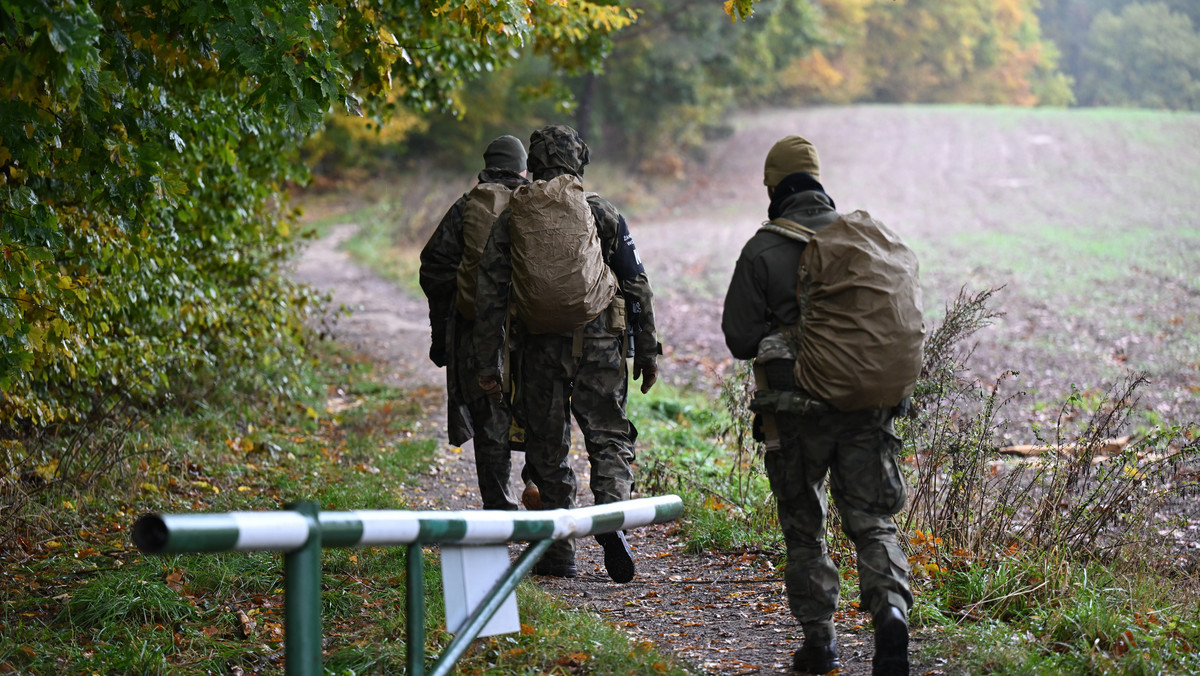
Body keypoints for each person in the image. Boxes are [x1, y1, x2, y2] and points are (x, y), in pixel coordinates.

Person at [721, 135, 912, 676]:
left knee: (805, 528)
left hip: (796, 416)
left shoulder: (763, 248)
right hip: (865, 410)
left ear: (775, 187)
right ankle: (891, 611)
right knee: (872, 522)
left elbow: (738, 339)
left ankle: (820, 644)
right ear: (819, 182)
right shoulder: (861, 241)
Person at [472, 124, 661, 582]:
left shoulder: (514, 216)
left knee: (548, 445)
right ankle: (612, 517)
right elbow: (636, 283)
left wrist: (487, 361)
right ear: (579, 162)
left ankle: (559, 554)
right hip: (599, 344)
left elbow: (490, 295)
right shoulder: (600, 212)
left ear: (533, 166)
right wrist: (648, 350)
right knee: (609, 436)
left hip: (539, 346)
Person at [419, 135, 532, 511]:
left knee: (490, 423)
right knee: (546, 418)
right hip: (538, 333)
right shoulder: (541, 203)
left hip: (478, 334)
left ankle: (501, 510)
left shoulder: (467, 206)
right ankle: (543, 497)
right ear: (522, 168)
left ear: (486, 167)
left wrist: (443, 332)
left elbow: (434, 267)